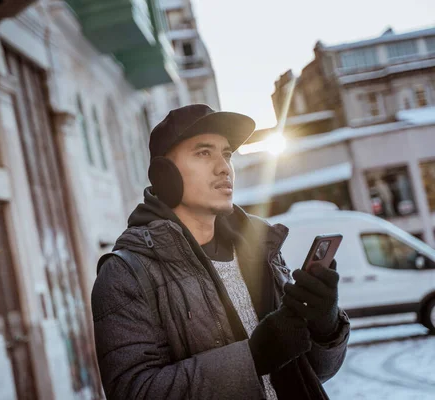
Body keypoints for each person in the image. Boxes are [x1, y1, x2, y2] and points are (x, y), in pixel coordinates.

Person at [91, 104, 350, 399]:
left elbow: (312, 372)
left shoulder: (260, 248)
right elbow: (133, 392)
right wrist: (253, 357)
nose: (224, 167)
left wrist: (325, 326)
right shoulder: (125, 273)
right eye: (204, 153)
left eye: (226, 154)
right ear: (164, 173)